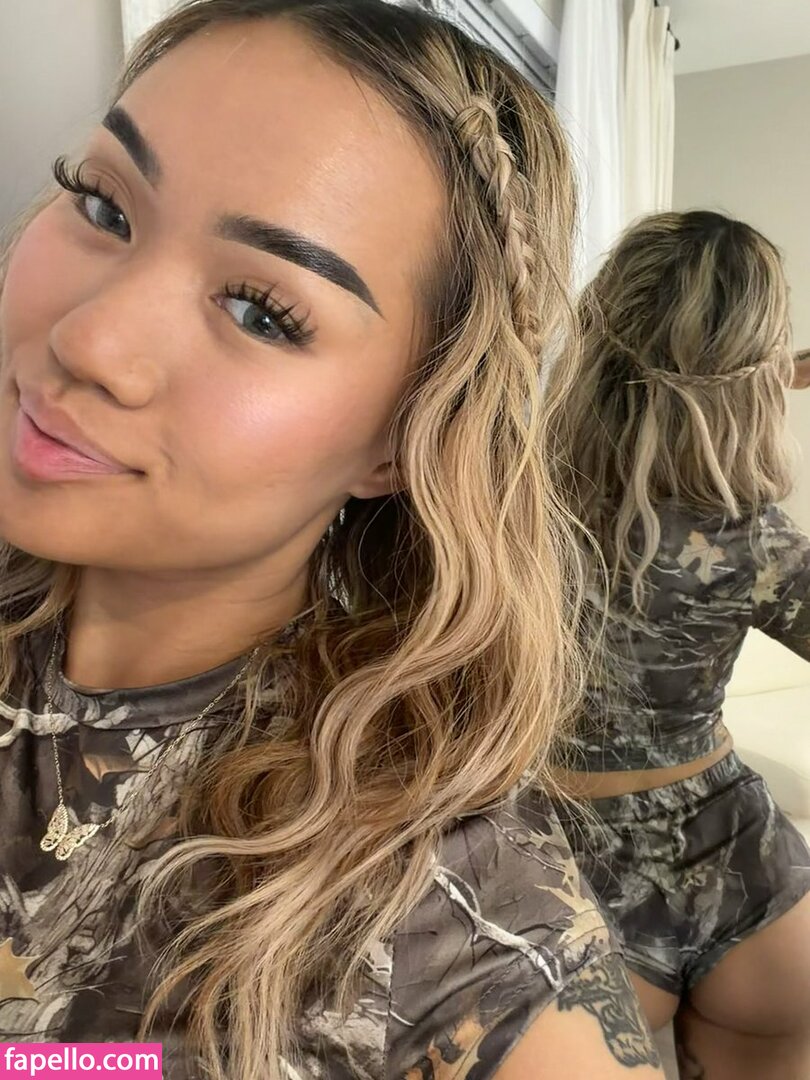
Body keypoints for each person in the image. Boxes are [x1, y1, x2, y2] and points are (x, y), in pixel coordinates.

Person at [0, 2, 664, 1078]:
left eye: (260, 311)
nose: (88, 340)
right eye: (103, 205)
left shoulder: (458, 930)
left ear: (401, 437)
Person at [550, 209, 810, 1079]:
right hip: (740, 859)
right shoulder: (758, 541)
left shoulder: (506, 504)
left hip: (572, 871)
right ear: (757, 378)